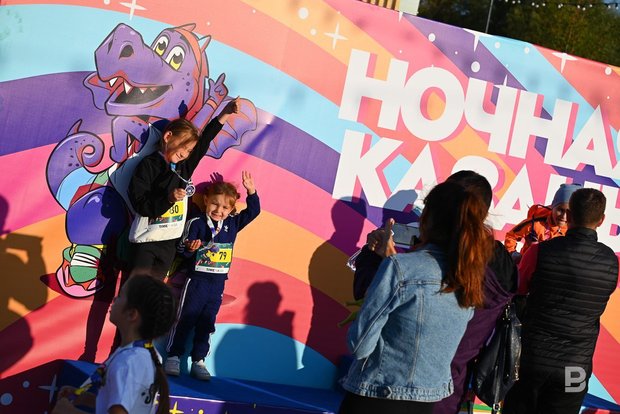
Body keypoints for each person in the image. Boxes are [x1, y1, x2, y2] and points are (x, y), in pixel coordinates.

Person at [350, 171, 517, 414]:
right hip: (445, 388)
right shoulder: (494, 264)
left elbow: (364, 338)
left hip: (391, 383)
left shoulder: (420, 266)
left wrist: (385, 261)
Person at [502, 188, 618, 414]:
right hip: (577, 367)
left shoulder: (539, 252)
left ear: (570, 215)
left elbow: (519, 289)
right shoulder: (612, 262)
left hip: (532, 360)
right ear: (602, 220)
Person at [127, 98, 240, 279]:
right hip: (146, 240)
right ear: (168, 137)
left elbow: (205, 140)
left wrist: (226, 113)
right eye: (184, 148)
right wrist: (168, 198)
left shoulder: (184, 167)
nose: (185, 154)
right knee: (135, 289)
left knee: (153, 292)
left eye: (189, 151)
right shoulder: (148, 165)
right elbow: (140, 203)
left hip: (169, 243)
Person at [163, 171, 260, 380]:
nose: (219, 210)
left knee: (207, 323)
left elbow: (254, 212)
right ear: (206, 200)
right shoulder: (196, 222)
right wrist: (190, 248)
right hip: (196, 281)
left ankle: (198, 360)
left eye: (225, 207)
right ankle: (173, 356)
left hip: (217, 284)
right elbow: (181, 250)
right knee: (185, 318)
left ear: (231, 209)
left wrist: (251, 191)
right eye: (215, 204)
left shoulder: (232, 224)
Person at [52, 275, 177, 414]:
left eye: (121, 296)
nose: (114, 299)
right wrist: (86, 399)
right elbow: (129, 406)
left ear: (132, 314)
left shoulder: (128, 362)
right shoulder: (145, 354)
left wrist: (69, 411)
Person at [504, 183, 581, 263]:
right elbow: (511, 236)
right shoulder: (536, 224)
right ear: (552, 207)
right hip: (527, 266)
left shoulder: (572, 232)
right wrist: (514, 254)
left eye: (569, 212)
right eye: (560, 210)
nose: (564, 216)